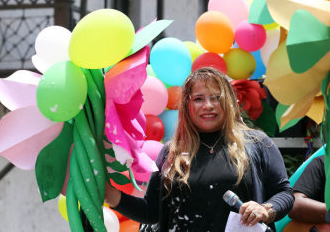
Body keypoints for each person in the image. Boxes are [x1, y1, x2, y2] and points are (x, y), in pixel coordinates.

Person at [105, 67, 294, 231]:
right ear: (187, 105)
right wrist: (109, 194)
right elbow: (151, 211)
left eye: (216, 98)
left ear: (228, 102)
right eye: (198, 99)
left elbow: (285, 194)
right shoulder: (172, 152)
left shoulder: (258, 143)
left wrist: (266, 210)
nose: (208, 106)